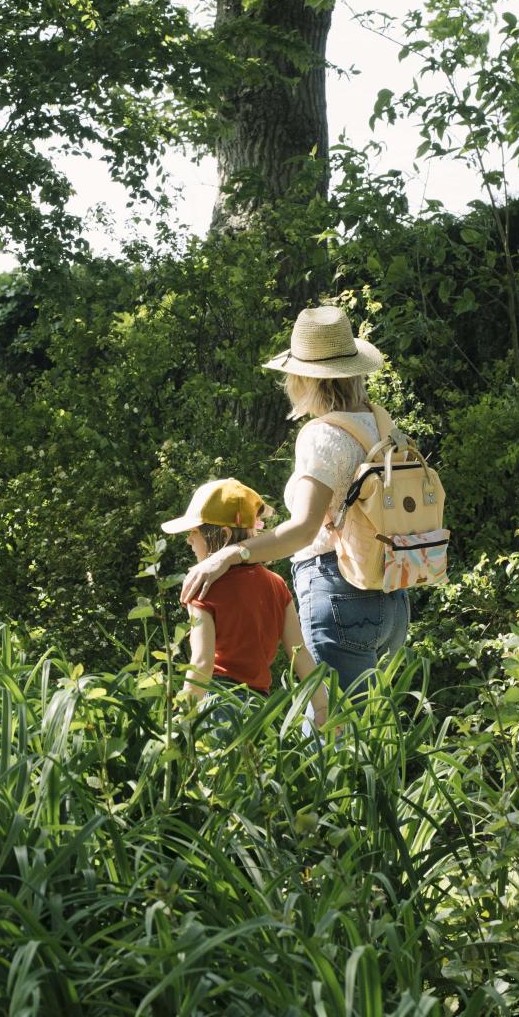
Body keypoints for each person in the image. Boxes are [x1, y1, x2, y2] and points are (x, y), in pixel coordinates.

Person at [180, 305, 410, 702]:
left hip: (339, 591)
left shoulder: (322, 435)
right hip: (392, 595)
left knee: (330, 734)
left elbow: (303, 530)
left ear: (304, 377)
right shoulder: (382, 424)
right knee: (368, 737)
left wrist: (229, 555)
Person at [161, 477, 327, 726]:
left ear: (223, 534)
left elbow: (202, 663)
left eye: (193, 532)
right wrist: (322, 708)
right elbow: (300, 653)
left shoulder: (203, 586)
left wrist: (183, 717)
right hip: (260, 707)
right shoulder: (276, 584)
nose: (188, 540)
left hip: (217, 703)